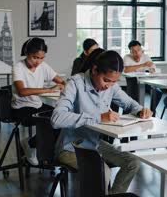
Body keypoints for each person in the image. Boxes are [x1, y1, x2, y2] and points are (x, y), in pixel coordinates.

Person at [51, 50, 153, 194]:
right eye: (106, 80)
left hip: (95, 144)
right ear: (94, 70)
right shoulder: (75, 83)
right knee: (102, 172)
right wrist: (98, 117)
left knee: (132, 162)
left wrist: (141, 110)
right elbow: (56, 119)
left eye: (114, 81)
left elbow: (130, 104)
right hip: (71, 147)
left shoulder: (110, 85)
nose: (109, 86)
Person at [12, 37, 66, 165]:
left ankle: (32, 144)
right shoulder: (18, 67)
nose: (38, 61)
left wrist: (65, 85)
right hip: (21, 109)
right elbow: (22, 91)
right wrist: (48, 90)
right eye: (35, 57)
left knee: (62, 118)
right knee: (48, 122)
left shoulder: (43, 66)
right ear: (27, 53)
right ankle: (38, 149)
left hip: (37, 105)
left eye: (41, 58)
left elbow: (61, 81)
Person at [123, 40, 163, 111]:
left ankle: (151, 111)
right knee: (135, 99)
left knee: (158, 92)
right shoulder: (127, 57)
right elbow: (126, 69)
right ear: (130, 52)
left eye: (138, 50)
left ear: (141, 50)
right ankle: (135, 112)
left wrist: (152, 69)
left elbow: (153, 67)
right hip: (133, 82)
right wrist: (143, 65)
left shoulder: (146, 57)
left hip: (145, 81)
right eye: (134, 51)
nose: (137, 53)